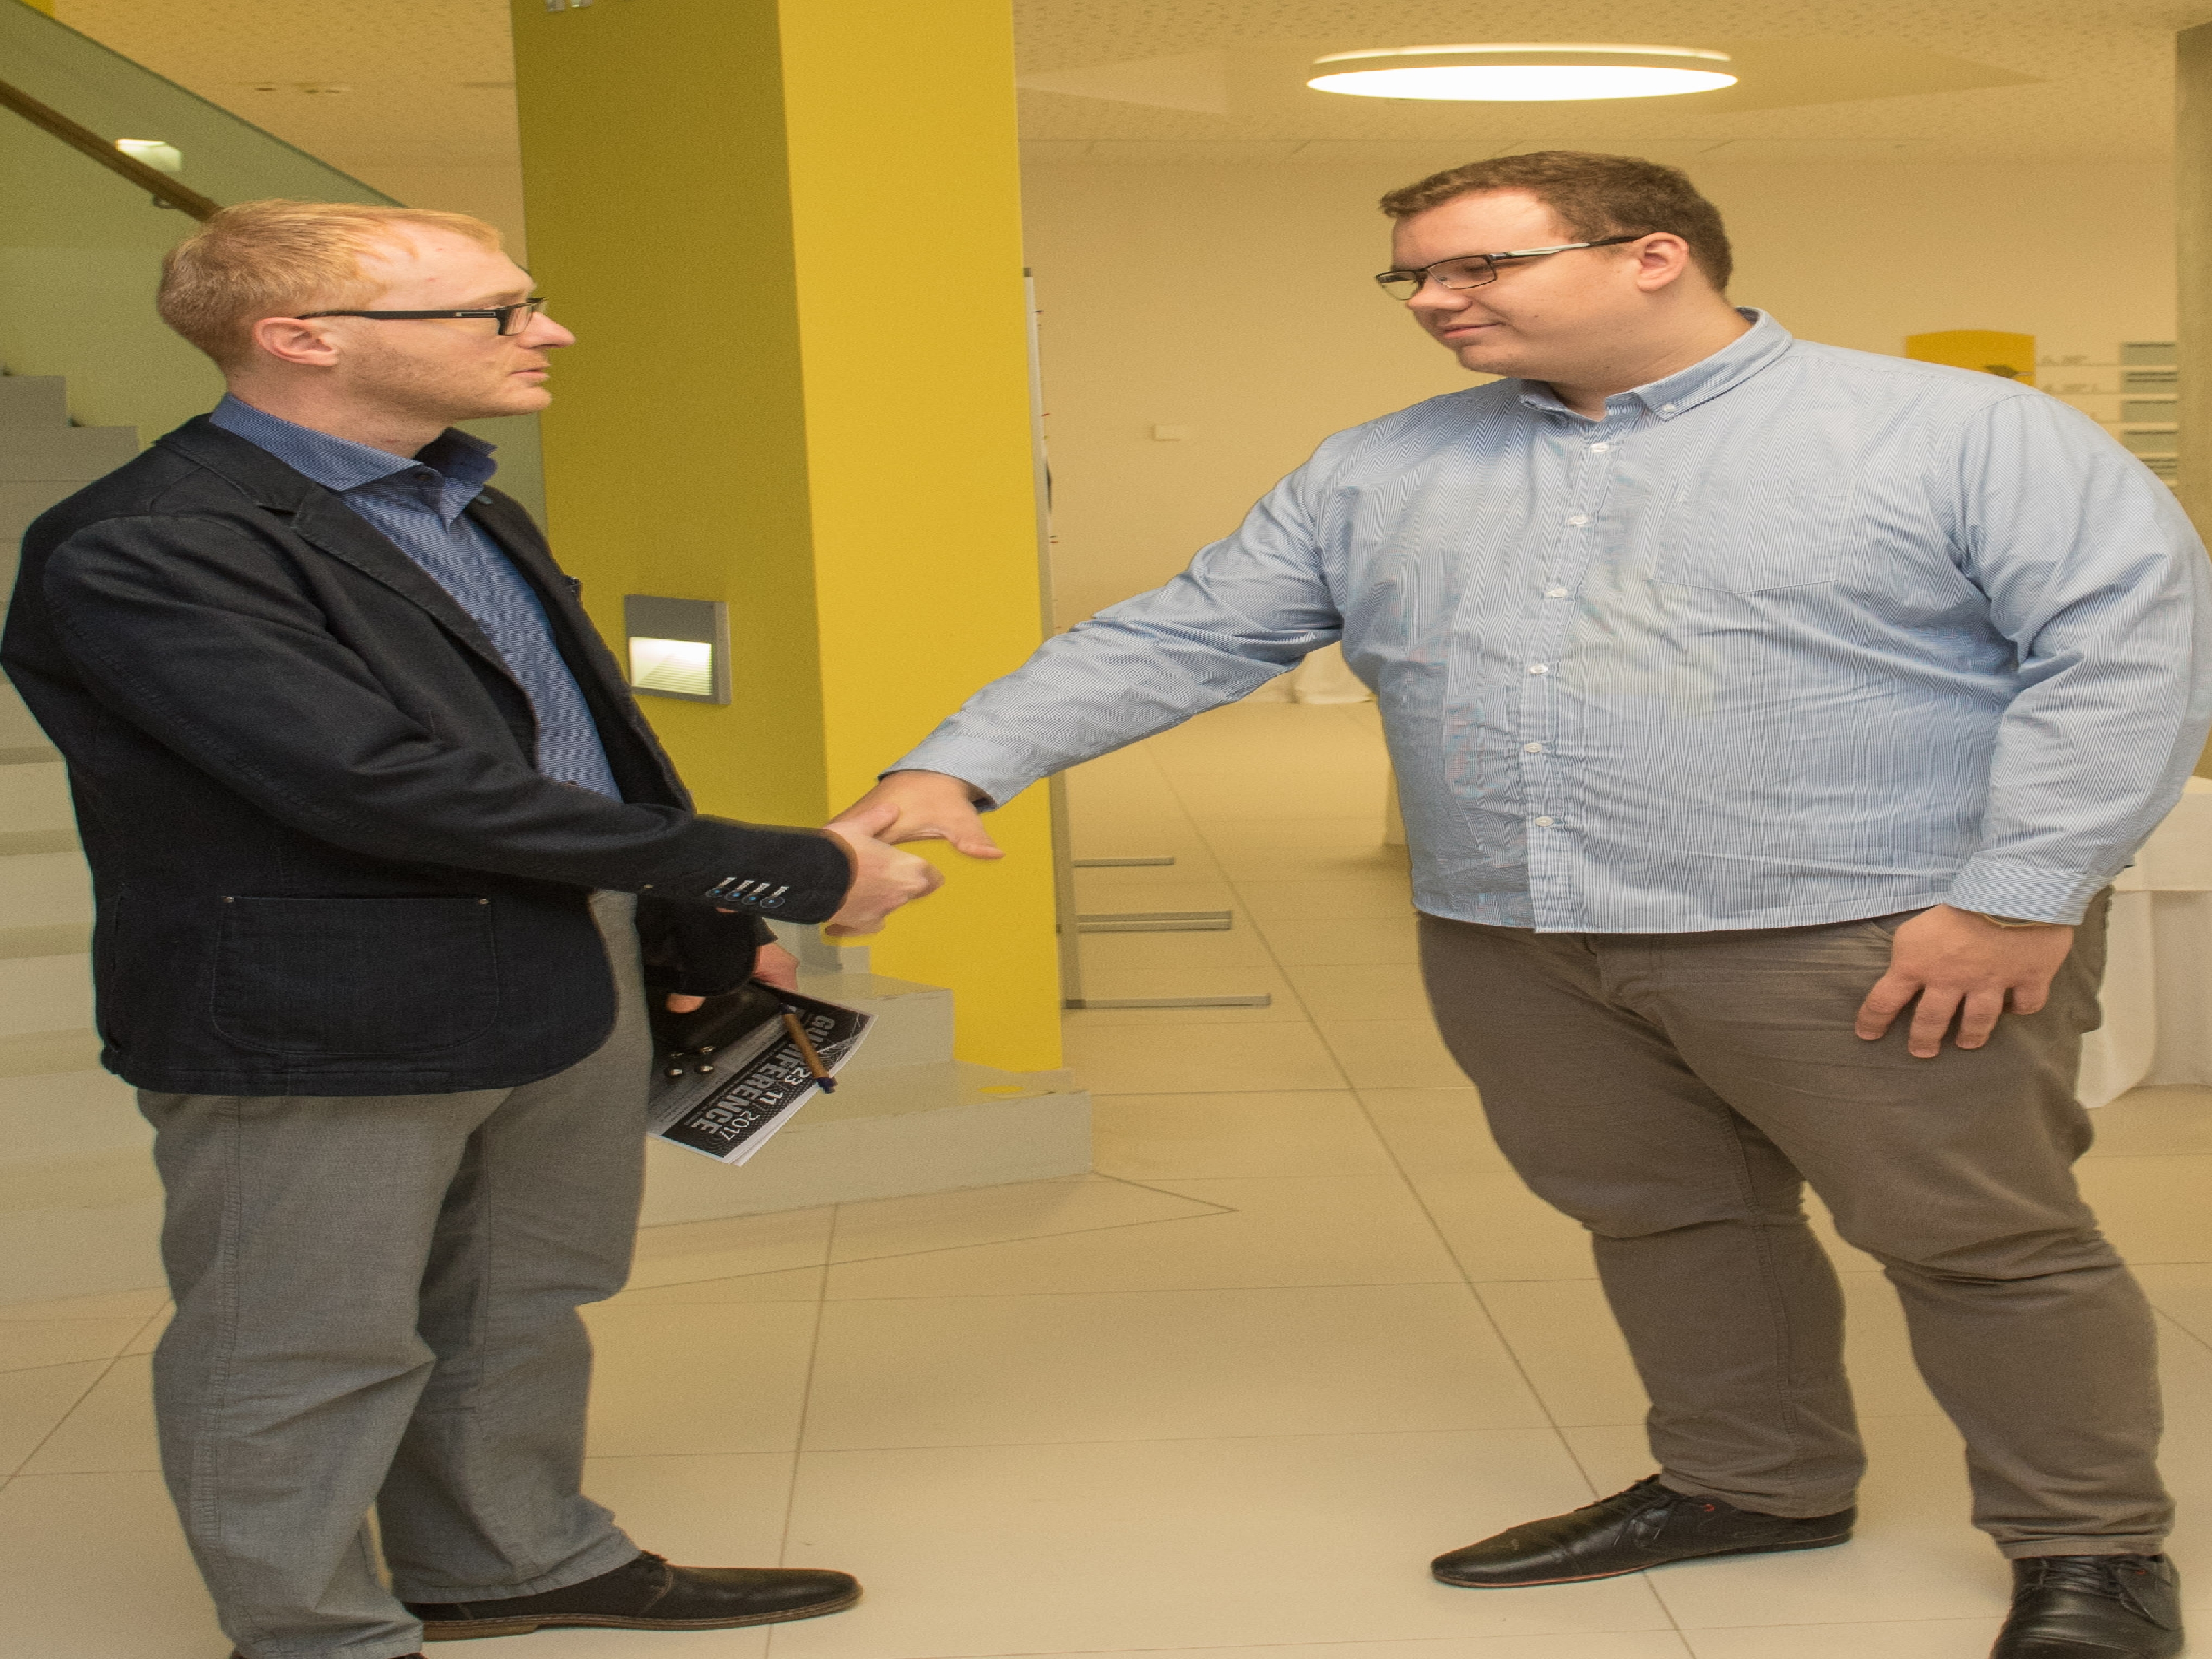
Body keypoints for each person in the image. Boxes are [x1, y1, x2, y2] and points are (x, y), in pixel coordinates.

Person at [838, 152, 2212, 1659]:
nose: (1433, 300)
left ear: (1654, 256)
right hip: (1523, 937)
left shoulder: (1960, 434)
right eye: (1413, 274)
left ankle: (2089, 1550)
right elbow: (1188, 633)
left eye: (1478, 266)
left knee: (1978, 1240)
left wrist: (2018, 898)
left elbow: (2125, 657)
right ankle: (1751, 1483)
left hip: (1873, 934)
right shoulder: (1379, 468)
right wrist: (960, 763)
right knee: (1660, 1218)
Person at [1, 200, 940, 1659]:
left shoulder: (463, 502)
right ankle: (312, 1634)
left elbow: (575, 747)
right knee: (302, 1339)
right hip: (327, 1011)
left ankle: (508, 1562)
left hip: (559, 966)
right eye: (495, 313)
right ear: (300, 339)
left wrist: (692, 915)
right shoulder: (148, 543)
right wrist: (787, 871)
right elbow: (374, 785)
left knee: (523, 1295)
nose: (546, 330)